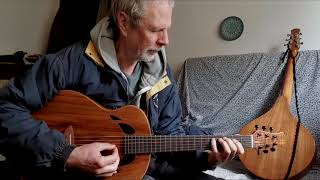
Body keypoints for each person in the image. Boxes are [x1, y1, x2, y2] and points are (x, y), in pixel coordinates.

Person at [0, 0, 244, 179]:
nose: (166, 40)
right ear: (124, 23)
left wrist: (209, 156)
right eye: (155, 29)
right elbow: (5, 109)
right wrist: (68, 154)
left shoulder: (162, 74)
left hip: (147, 167)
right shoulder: (68, 62)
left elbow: (170, 136)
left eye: (167, 28)